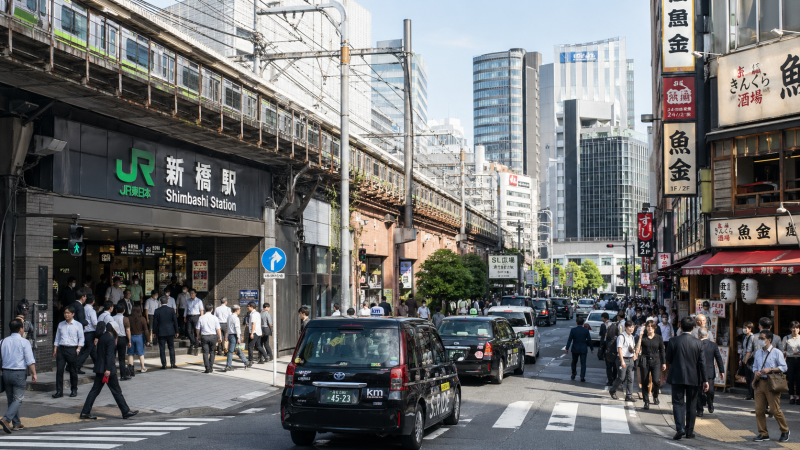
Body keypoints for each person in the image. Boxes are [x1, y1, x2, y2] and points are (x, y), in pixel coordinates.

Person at [78, 320, 138, 421]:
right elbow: (109, 355)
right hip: (107, 370)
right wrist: (108, 369)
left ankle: (85, 411)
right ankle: (125, 411)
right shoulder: (110, 338)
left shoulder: (102, 337)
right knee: (117, 391)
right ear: (113, 329)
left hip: (99, 368)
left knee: (94, 391)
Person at [667, 316, 709, 441]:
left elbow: (668, 359)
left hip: (677, 376)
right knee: (692, 404)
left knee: (678, 403)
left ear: (680, 326)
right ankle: (689, 431)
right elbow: (702, 363)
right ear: (693, 328)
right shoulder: (698, 343)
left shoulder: (673, 341)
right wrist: (705, 380)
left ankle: (679, 428)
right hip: (693, 377)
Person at [752, 330, 790, 442]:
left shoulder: (777, 352)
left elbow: (784, 367)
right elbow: (754, 366)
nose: (760, 340)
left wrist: (771, 369)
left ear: (769, 340)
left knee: (774, 410)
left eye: (762, 338)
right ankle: (763, 433)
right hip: (760, 383)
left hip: (772, 383)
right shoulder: (758, 352)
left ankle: (785, 430)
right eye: (759, 338)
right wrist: (755, 373)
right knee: (759, 410)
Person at [0, 319, 37, 433]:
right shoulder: (24, 342)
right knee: (18, 399)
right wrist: (34, 374)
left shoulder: (2, 341)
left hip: (5, 373)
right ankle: (6, 419)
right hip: (18, 373)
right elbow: (30, 360)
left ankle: (16, 424)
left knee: (11, 399)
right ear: (21, 329)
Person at [52, 305, 84, 398]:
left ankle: (74, 390)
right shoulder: (61, 324)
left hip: (72, 349)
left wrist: (78, 349)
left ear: (73, 314)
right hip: (61, 349)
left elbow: (81, 338)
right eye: (65, 313)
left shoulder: (78, 325)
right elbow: (57, 338)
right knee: (59, 370)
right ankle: (59, 391)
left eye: (68, 313)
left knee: (73, 371)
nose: (66, 315)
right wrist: (55, 349)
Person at [638, 321, 666, 410]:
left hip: (656, 360)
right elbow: (638, 349)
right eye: (648, 326)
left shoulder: (659, 338)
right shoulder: (643, 337)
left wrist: (664, 362)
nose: (649, 328)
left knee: (656, 381)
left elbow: (662, 350)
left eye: (651, 326)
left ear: (654, 328)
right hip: (645, 360)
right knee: (645, 381)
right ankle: (646, 401)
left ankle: (655, 395)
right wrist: (640, 336)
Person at [697, 327, 724, 417]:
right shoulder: (697, 344)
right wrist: (722, 371)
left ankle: (709, 403)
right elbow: (719, 358)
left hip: (703, 370)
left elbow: (718, 357)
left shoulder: (713, 345)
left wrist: (721, 370)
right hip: (705, 371)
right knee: (707, 390)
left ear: (698, 335)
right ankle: (700, 409)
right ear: (707, 335)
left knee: (705, 391)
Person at [609, 321, 637, 402]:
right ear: (625, 328)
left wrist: (634, 354)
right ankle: (612, 390)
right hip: (622, 359)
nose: (631, 329)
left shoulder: (632, 337)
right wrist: (622, 361)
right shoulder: (621, 337)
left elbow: (632, 347)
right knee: (621, 377)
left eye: (632, 327)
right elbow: (619, 349)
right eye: (629, 327)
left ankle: (629, 395)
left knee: (631, 378)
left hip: (630, 359)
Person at [152, 296, 179, 369]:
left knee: (162, 348)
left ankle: (164, 364)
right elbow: (175, 321)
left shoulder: (157, 311)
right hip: (170, 331)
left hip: (161, 331)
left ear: (160, 302)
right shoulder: (171, 310)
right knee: (171, 347)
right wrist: (177, 331)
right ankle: (173, 363)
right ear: (167, 302)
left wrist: (154, 332)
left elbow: (155, 323)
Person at [566, 316, 594, 382]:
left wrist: (567, 348)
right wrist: (591, 348)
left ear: (576, 323)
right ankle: (582, 376)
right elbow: (589, 340)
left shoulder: (573, 330)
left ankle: (573, 373)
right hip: (583, 348)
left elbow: (569, 340)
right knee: (583, 363)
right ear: (583, 323)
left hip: (575, 348)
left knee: (574, 362)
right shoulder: (586, 330)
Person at [196, 303, 221, 374]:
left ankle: (207, 368)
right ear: (212, 310)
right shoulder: (215, 318)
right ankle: (211, 367)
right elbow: (218, 329)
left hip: (204, 336)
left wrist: (198, 336)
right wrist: (220, 337)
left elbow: (197, 328)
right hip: (213, 336)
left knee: (205, 352)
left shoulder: (201, 317)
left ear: (204, 310)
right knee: (212, 352)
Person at [225, 305, 250, 371]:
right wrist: (239, 337)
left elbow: (227, 327)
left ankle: (246, 362)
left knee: (238, 350)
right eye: (239, 309)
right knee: (231, 351)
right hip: (234, 335)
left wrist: (226, 336)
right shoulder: (236, 318)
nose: (240, 310)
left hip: (230, 335)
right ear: (236, 310)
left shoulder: (229, 317)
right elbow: (237, 328)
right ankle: (228, 366)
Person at [77, 295, 98, 374]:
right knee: (88, 351)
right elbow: (95, 323)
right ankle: (77, 366)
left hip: (84, 332)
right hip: (91, 332)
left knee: (93, 351)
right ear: (93, 301)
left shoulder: (83, 308)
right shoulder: (91, 310)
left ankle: (97, 366)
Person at [111, 303, 132, 380]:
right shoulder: (125, 319)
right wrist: (129, 340)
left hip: (113, 339)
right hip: (122, 339)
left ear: (116, 310)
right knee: (122, 358)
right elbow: (128, 330)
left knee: (112, 356)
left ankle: (112, 374)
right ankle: (123, 375)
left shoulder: (112, 318)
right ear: (124, 310)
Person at [126, 306, 148, 374]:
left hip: (131, 337)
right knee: (141, 353)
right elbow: (146, 330)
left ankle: (130, 368)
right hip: (140, 337)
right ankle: (143, 367)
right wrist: (148, 340)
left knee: (130, 353)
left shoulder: (129, 318)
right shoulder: (142, 319)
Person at [783, 321, 800, 405]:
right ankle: (791, 396)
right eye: (793, 327)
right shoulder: (786, 338)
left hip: (799, 360)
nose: (795, 329)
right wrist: (791, 354)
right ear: (790, 329)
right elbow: (782, 351)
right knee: (790, 378)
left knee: (799, 379)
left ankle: (798, 396)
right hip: (790, 360)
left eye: (797, 328)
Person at [740, 321, 757, 400]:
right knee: (747, 377)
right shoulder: (744, 337)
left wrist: (747, 358)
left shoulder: (753, 337)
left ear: (750, 329)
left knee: (751, 377)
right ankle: (750, 393)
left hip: (751, 359)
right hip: (744, 358)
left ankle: (752, 393)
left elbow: (752, 350)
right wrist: (741, 359)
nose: (744, 330)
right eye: (743, 328)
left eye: (745, 328)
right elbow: (743, 349)